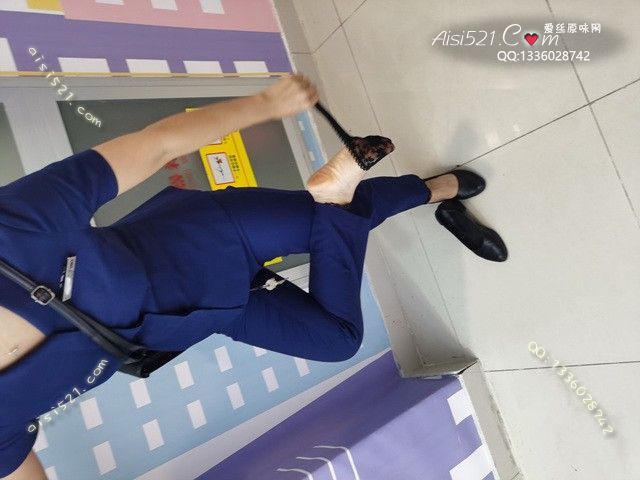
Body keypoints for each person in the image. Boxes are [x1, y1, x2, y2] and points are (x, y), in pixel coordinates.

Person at [0, 74, 504, 479]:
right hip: (212, 310)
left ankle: (437, 191)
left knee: (338, 218)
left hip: (210, 233)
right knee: (336, 335)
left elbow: (155, 145)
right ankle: (343, 198)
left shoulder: (11, 229)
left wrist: (265, 103)